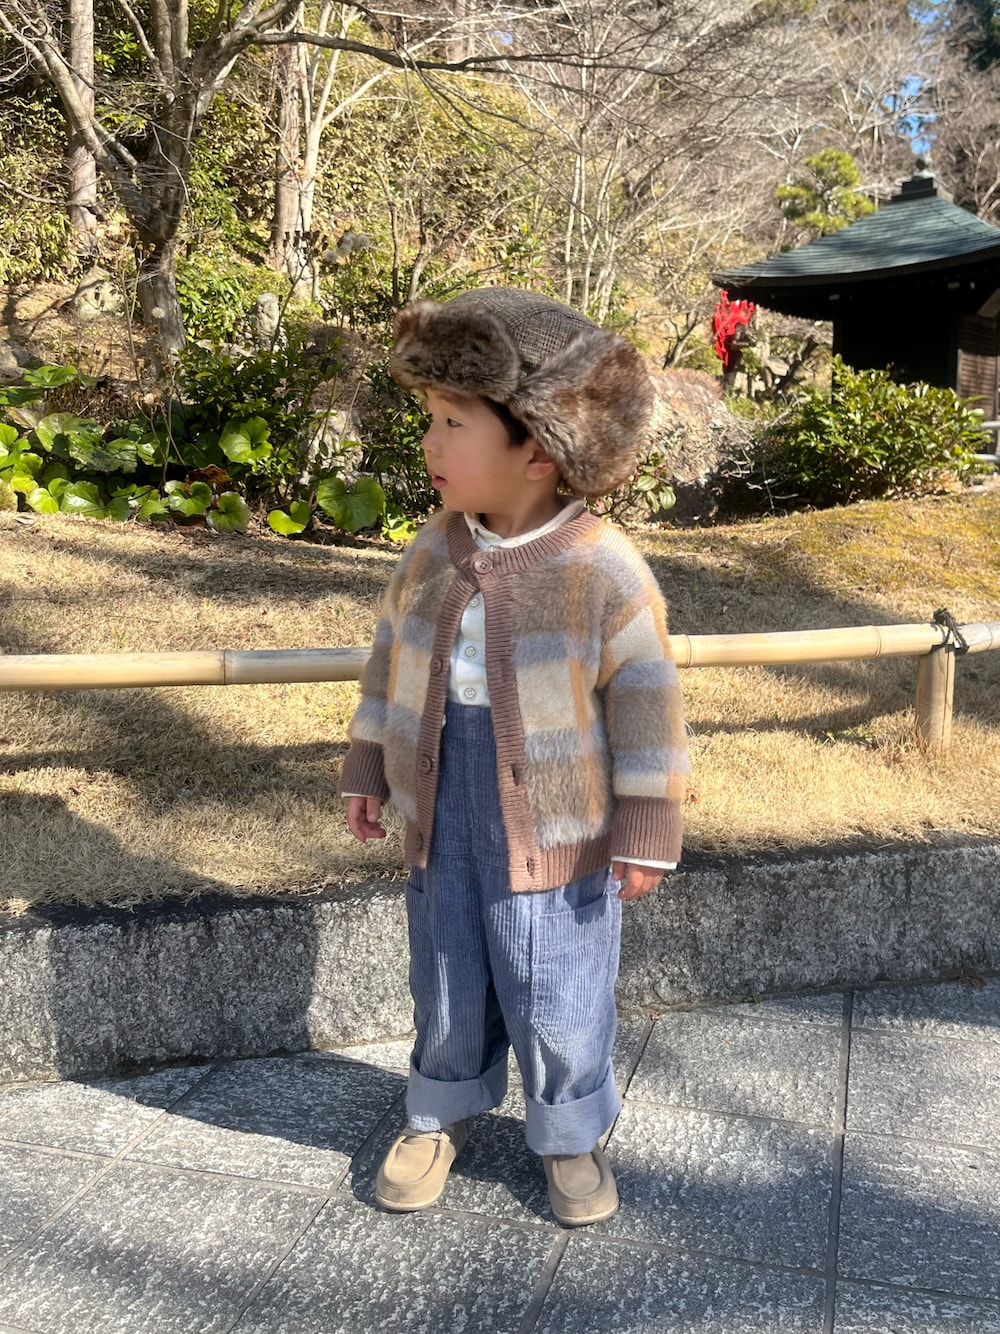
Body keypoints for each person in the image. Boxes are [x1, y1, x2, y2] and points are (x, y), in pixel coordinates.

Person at [341, 287, 689, 1227]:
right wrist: (369, 763)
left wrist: (648, 823)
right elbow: (389, 658)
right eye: (429, 419)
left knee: (556, 975)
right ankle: (437, 1108)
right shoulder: (431, 551)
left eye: (454, 423)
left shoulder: (600, 566)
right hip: (441, 793)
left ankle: (569, 1129)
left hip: (561, 819)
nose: (431, 443)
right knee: (445, 960)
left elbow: (649, 699)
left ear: (540, 448)